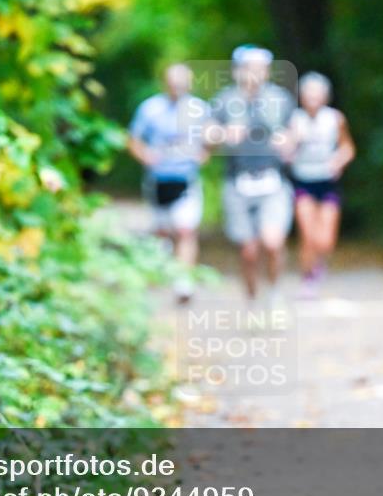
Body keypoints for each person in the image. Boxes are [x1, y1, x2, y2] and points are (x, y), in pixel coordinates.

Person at [211, 46, 296, 303]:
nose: (256, 74)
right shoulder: (225, 100)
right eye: (250, 68)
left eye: (261, 69)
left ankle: (274, 290)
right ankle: (251, 296)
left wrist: (289, 142)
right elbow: (207, 135)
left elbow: (295, 131)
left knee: (273, 242)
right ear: (238, 71)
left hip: (273, 180)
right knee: (248, 251)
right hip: (238, 182)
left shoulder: (280, 99)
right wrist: (225, 134)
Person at [128, 63, 210, 304]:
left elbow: (211, 135)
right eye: (173, 82)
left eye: (182, 83)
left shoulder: (199, 109)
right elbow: (133, 139)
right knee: (162, 233)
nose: (177, 87)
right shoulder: (150, 109)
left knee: (186, 230)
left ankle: (184, 282)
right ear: (165, 83)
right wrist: (145, 156)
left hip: (187, 179)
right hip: (157, 180)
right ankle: (160, 274)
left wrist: (205, 152)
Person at [285, 72, 356, 298]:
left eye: (317, 93)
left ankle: (318, 264)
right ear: (302, 96)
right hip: (303, 182)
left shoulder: (335, 119)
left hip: (327, 183)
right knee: (308, 235)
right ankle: (307, 278)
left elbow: (348, 148)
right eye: (308, 93)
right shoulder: (294, 120)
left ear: (325, 96)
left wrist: (338, 161)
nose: (312, 98)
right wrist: (294, 140)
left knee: (325, 240)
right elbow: (285, 152)